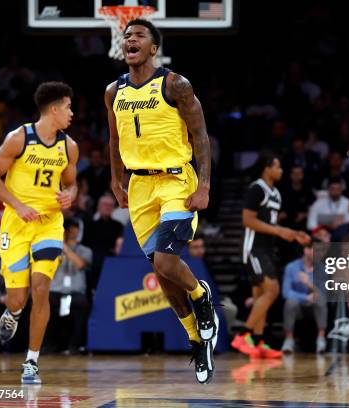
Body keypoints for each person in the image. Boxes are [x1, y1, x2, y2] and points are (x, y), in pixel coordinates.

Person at [104, 19, 217, 384]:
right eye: (126, 37)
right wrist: (116, 181)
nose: (129, 40)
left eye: (138, 36)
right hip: (139, 187)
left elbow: (200, 135)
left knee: (168, 261)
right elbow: (114, 140)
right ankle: (195, 339)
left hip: (176, 182)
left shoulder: (175, 84)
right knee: (162, 271)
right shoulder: (113, 91)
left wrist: (204, 186)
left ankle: (201, 296)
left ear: (154, 48)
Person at [0, 81, 78, 384]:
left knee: (41, 288)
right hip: (16, 222)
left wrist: (70, 194)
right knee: (18, 298)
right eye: (68, 107)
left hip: (49, 223)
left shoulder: (69, 146)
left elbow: (71, 182)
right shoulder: (18, 138)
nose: (72, 114)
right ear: (53, 109)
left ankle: (31, 362)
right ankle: (12, 312)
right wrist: (18, 205)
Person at [232, 151, 310, 358]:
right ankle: (243, 334)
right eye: (277, 166)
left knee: (260, 296)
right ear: (266, 167)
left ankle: (258, 343)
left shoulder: (276, 193)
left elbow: (271, 225)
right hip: (253, 248)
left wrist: (292, 233)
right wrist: (278, 231)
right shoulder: (257, 188)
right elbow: (248, 220)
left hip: (266, 248)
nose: (281, 170)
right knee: (272, 290)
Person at [46, 218, 91, 354]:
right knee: (43, 303)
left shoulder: (84, 250)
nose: (71, 231)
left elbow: (80, 264)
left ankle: (74, 346)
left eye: (74, 228)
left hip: (75, 292)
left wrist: (65, 247)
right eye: (68, 228)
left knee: (81, 304)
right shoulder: (53, 249)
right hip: (56, 292)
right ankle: (48, 346)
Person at [280, 243, 327, 353]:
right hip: (298, 306)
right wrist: (305, 297)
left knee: (321, 300)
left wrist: (309, 284)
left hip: (315, 307)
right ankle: (289, 340)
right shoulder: (291, 267)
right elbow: (286, 292)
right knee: (290, 302)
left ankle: (321, 339)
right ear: (306, 250)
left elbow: (324, 294)